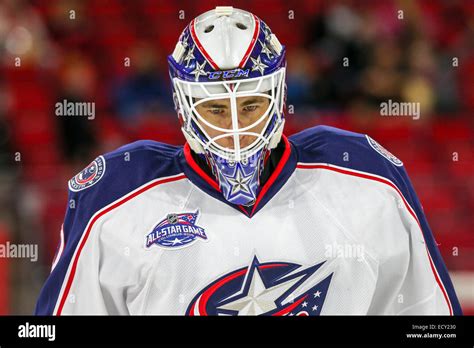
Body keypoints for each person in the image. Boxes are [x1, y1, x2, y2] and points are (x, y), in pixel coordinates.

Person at [35, 6, 461, 316]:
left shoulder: (368, 179)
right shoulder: (116, 202)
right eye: (217, 109)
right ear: (185, 108)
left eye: (252, 105)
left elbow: (428, 317)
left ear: (278, 96)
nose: (236, 128)